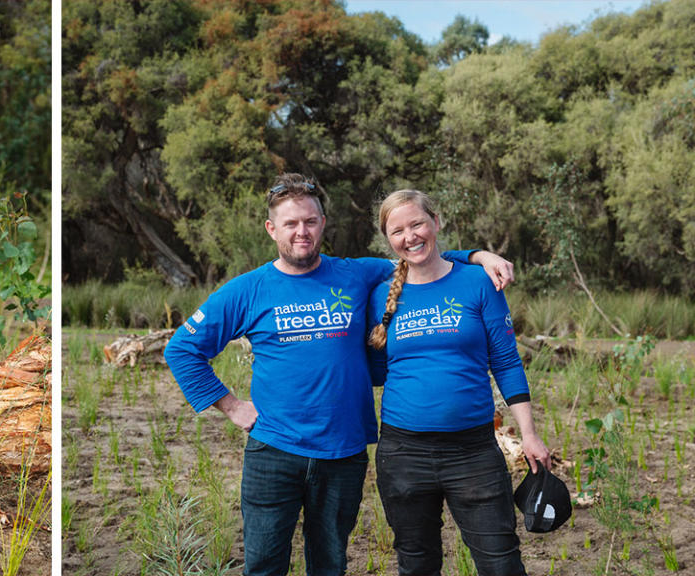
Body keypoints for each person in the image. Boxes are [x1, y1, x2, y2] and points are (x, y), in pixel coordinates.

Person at [164, 173, 514, 576]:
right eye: (291, 223)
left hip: (343, 452)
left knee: (329, 565)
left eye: (310, 221)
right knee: (262, 565)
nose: (301, 232)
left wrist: (477, 256)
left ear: (323, 224)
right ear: (271, 228)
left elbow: (418, 252)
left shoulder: (357, 273)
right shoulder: (247, 290)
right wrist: (230, 406)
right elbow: (182, 349)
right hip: (274, 450)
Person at [364, 189, 552, 575]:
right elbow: (376, 369)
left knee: (501, 563)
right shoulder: (380, 294)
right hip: (403, 454)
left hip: (473, 452)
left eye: (417, 223)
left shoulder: (478, 282)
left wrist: (529, 433)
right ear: (388, 240)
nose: (410, 236)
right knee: (417, 565)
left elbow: (506, 361)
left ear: (437, 221)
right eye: (397, 231)